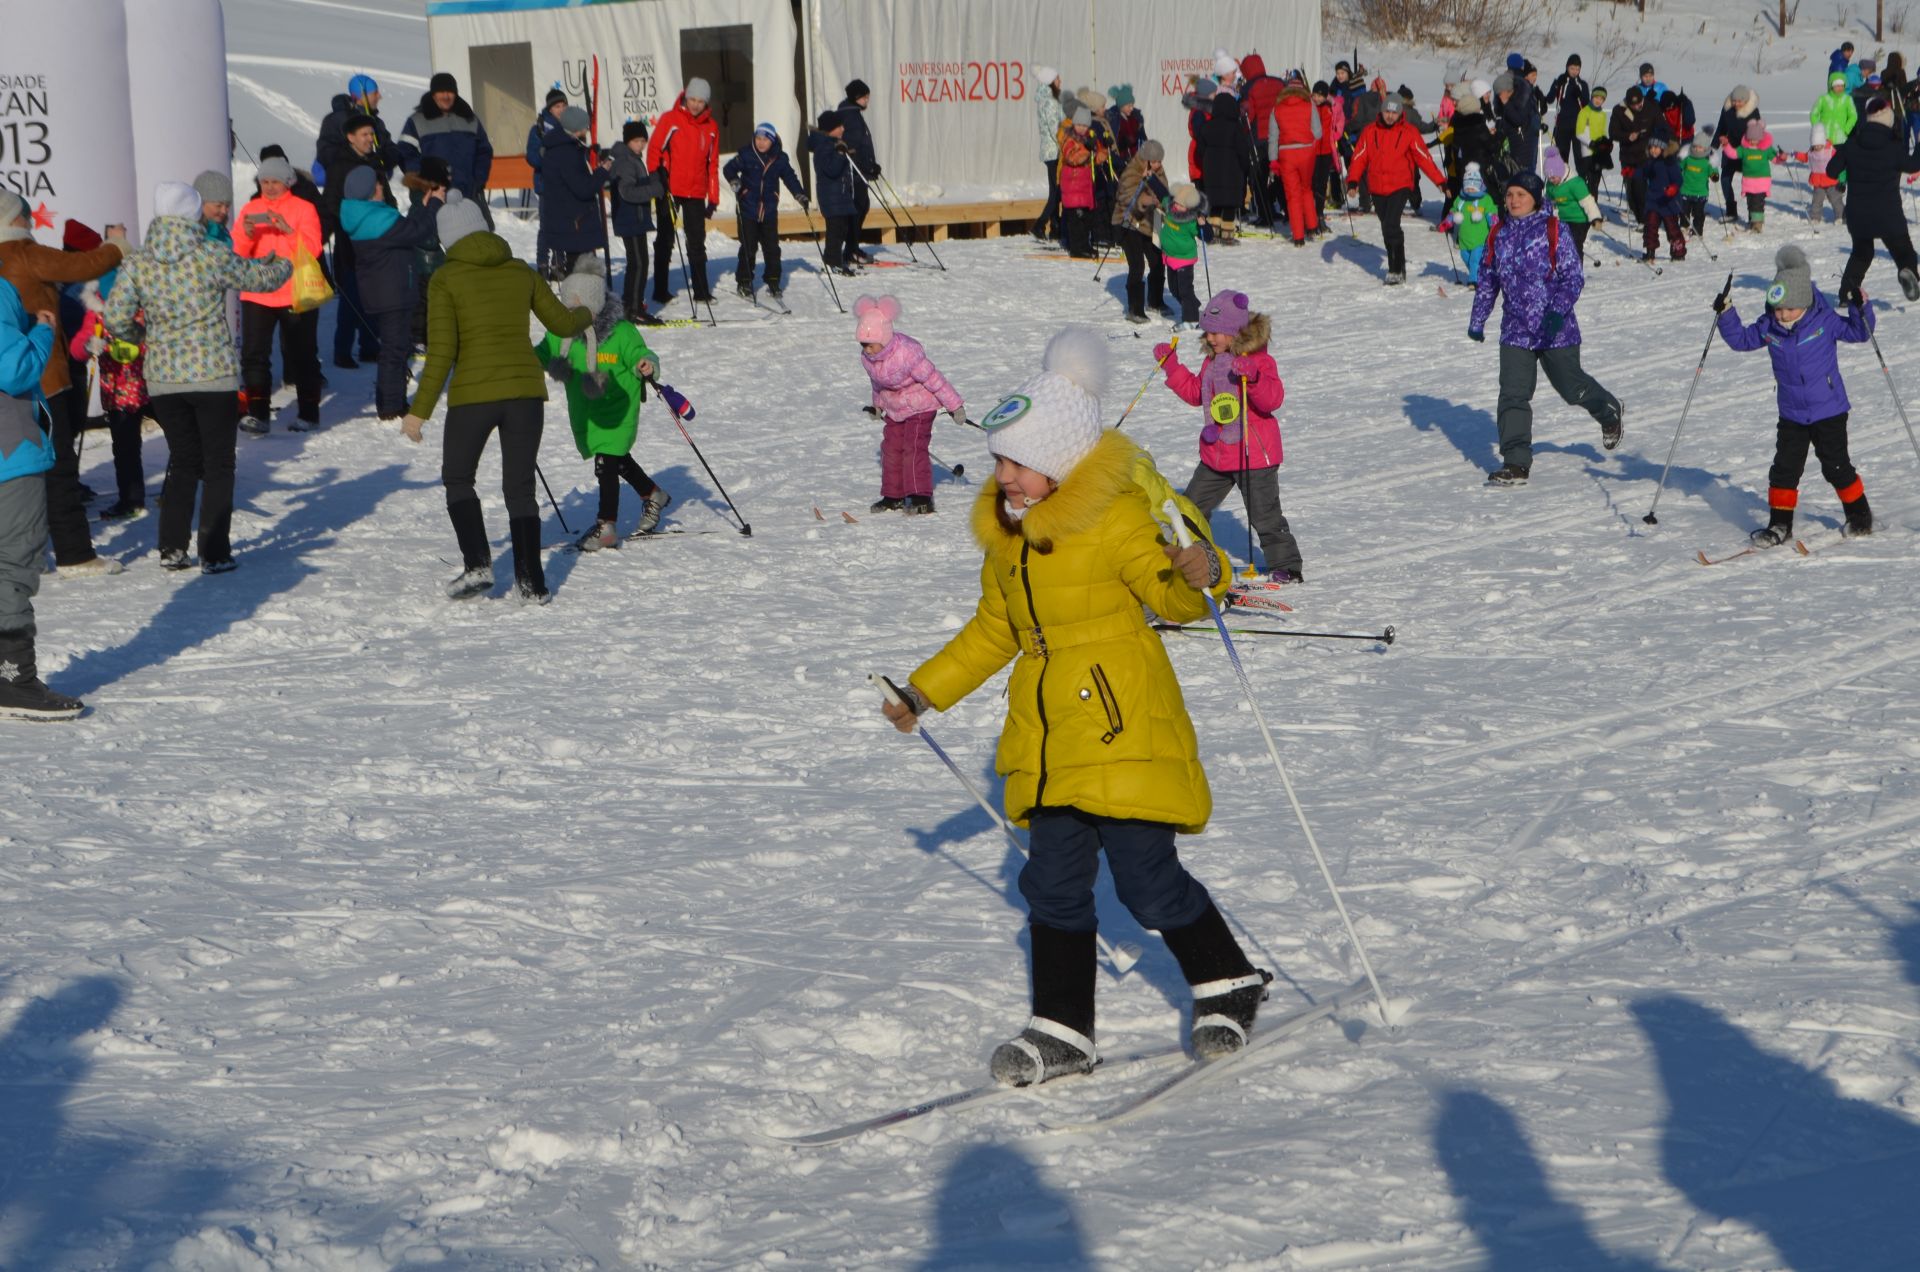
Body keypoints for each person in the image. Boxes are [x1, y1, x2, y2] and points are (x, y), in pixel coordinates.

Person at [880, 327, 1270, 1086]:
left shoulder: (1116, 520)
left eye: (1015, 463)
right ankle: (1063, 1029)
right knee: (1052, 883)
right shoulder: (1011, 546)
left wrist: (1201, 571)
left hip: (1124, 724)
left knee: (1146, 881)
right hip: (1049, 734)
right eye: (997, 461)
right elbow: (995, 630)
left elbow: (1171, 595)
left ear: (1059, 466)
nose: (1002, 478)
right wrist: (924, 691)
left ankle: (1228, 979)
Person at [401, 191, 592, 604]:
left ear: (448, 239)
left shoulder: (446, 279)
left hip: (474, 395)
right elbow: (561, 323)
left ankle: (478, 566)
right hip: (525, 393)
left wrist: (419, 412)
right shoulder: (520, 271)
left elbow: (441, 354)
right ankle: (532, 584)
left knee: (457, 477)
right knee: (519, 489)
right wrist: (589, 312)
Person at [104, 181, 291, 574]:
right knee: (219, 463)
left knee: (184, 460)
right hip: (212, 376)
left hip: (165, 380)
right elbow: (260, 280)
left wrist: (145, 337)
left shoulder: (138, 262)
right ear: (192, 213)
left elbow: (117, 318)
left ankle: (172, 547)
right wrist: (285, 263)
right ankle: (215, 551)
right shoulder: (210, 253)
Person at [1467, 170, 1624, 485]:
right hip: (1515, 330)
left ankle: (1608, 410)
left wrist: (1557, 311)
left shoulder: (1555, 229)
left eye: (1520, 195)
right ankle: (1515, 462)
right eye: (1510, 195)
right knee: (1513, 394)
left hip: (1556, 329)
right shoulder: (1498, 233)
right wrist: (1478, 319)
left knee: (1573, 389)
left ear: (1535, 199)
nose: (1513, 201)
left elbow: (1573, 277)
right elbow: (1488, 280)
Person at [0, 192, 126, 578]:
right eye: (26, 216)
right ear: (15, 218)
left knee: (19, 470)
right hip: (42, 377)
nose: (31, 223)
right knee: (58, 467)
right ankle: (74, 554)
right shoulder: (22, 252)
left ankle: (26, 550)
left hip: (13, 380)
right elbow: (79, 264)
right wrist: (115, 246)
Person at [1714, 245, 1874, 543]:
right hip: (1791, 413)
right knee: (1784, 470)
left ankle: (1859, 515)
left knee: (1836, 467)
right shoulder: (1770, 327)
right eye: (1778, 308)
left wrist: (1859, 307)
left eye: (1789, 308)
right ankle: (1779, 525)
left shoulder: (1824, 322)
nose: (1783, 314)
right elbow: (1742, 340)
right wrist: (1726, 313)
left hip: (1829, 410)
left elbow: (1860, 332)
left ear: (1804, 302)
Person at [1154, 290, 1304, 580]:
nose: (1211, 339)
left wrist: (1254, 378)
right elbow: (1197, 394)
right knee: (1191, 508)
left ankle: (1285, 564)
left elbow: (1272, 400)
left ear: (1237, 332)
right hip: (1217, 455)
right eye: (1208, 333)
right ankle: (1193, 560)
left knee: (1265, 515)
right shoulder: (1212, 361)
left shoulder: (1259, 361)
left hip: (1254, 455)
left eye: (1218, 333)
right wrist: (1172, 367)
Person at [534, 257, 671, 550]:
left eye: (577, 310)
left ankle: (606, 525)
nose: (570, 316)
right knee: (616, 459)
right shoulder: (561, 334)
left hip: (618, 410)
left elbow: (639, 353)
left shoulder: (621, 332)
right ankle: (652, 493)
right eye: (566, 310)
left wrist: (646, 364)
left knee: (606, 463)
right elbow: (540, 355)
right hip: (587, 414)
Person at [0, 277, 82, 718]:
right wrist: (43, 330)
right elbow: (12, 369)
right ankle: (14, 680)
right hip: (8, 452)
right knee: (13, 561)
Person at [338, 165, 441, 419]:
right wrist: (436, 204)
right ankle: (391, 406)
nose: (382, 187)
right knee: (395, 350)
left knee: (392, 349)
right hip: (393, 293)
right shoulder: (378, 219)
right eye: (378, 184)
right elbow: (417, 232)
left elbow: (406, 229)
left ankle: (389, 400)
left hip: (380, 292)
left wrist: (426, 206)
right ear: (371, 191)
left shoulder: (362, 215)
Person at [232, 155, 324, 432]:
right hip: (257, 292)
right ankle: (258, 414)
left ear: (288, 183)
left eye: (275, 182)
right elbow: (237, 254)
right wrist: (248, 234)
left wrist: (287, 230)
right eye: (264, 182)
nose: (269, 187)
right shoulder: (251, 208)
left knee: (302, 354)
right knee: (253, 355)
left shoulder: (304, 209)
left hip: (295, 291)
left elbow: (313, 250)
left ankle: (308, 413)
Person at [855, 295, 963, 515]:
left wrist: (954, 406)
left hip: (921, 406)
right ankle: (893, 496)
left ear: (884, 338)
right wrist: (878, 407)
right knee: (891, 449)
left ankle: (920, 496)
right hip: (895, 409)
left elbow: (934, 379)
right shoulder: (868, 360)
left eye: (871, 344)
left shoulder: (906, 353)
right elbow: (877, 385)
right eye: (863, 344)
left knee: (913, 448)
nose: (867, 349)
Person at [69, 271, 150, 518]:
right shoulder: (96, 314)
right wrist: (88, 345)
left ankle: (183, 482)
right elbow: (77, 349)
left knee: (179, 435)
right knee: (125, 448)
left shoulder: (145, 309)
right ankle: (131, 499)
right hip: (118, 391)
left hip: (151, 384)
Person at [320, 113, 395, 370]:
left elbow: (388, 198)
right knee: (351, 297)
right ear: (350, 137)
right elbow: (330, 202)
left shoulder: (375, 163)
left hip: (376, 240)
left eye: (371, 134)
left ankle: (370, 346)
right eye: (364, 134)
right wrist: (346, 222)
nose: (369, 139)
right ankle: (342, 350)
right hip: (350, 241)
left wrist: (392, 220)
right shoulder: (339, 166)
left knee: (373, 294)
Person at [1828, 94, 1920, 303]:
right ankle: (1908, 273)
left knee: (1862, 253)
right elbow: (1914, 165)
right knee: (1903, 251)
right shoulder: (1893, 147)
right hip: (1888, 214)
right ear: (1888, 120)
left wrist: (1844, 151)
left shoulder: (1852, 144)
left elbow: (1831, 171)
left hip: (1858, 214)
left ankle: (1846, 294)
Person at [1347, 94, 1446, 284]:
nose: (1390, 116)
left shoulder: (1408, 132)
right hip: (1377, 186)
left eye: (1394, 112)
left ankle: (1395, 268)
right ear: (1381, 112)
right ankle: (1399, 264)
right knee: (1387, 227)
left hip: (1400, 185)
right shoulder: (1370, 131)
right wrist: (1353, 181)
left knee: (1391, 225)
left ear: (1400, 113)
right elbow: (1359, 157)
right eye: (1387, 112)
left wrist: (1440, 182)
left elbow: (1423, 158)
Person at [647, 79, 721, 307]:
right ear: (686, 97)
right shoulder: (671, 119)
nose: (696, 105)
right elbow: (654, 149)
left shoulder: (711, 128)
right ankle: (660, 290)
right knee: (666, 239)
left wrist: (714, 197)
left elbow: (712, 164)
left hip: (696, 192)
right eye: (692, 99)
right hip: (670, 189)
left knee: (697, 241)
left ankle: (701, 291)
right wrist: (657, 177)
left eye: (700, 101)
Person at [723, 121, 806, 301]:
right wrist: (734, 181)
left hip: (768, 210)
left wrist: (799, 194)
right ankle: (744, 281)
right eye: (758, 138)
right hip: (747, 209)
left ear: (772, 141)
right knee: (748, 246)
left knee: (772, 248)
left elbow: (790, 177)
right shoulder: (746, 154)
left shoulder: (780, 158)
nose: (761, 142)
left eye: (765, 139)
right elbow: (728, 169)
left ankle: (773, 280)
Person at [536, 105, 613, 277]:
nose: (587, 129)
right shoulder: (567, 153)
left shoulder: (561, 147)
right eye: (585, 126)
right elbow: (583, 189)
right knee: (582, 273)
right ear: (576, 129)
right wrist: (603, 171)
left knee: (577, 270)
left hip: (569, 221)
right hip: (575, 222)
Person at [398, 72, 494, 211]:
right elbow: (405, 152)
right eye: (441, 92)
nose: (446, 96)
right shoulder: (417, 120)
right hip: (432, 196)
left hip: (468, 195)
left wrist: (477, 180)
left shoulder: (470, 119)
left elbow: (484, 151)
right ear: (433, 94)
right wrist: (423, 181)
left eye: (450, 92)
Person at [609, 119, 663, 323]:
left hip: (635, 219)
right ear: (628, 141)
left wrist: (654, 179)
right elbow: (627, 192)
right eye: (637, 140)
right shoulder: (625, 161)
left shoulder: (633, 158)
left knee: (639, 262)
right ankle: (633, 308)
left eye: (643, 140)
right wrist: (654, 190)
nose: (641, 144)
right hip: (629, 218)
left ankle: (631, 305)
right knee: (639, 263)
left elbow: (637, 183)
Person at [1113, 140, 1169, 323]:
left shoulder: (1159, 172)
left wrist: (1160, 202)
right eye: (1155, 162)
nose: (1158, 165)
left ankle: (1155, 300)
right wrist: (1143, 198)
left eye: (1160, 161)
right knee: (1137, 265)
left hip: (1153, 222)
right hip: (1129, 222)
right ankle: (1135, 309)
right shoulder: (1132, 171)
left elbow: (1164, 195)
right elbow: (1123, 196)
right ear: (1145, 160)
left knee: (1158, 260)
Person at [1269, 72, 1322, 245]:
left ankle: (1298, 236)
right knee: (1306, 188)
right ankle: (1313, 225)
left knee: (1292, 195)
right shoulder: (1309, 104)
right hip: (1306, 151)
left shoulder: (1277, 108)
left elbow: (1273, 137)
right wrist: (1307, 138)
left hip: (1286, 153)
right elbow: (1318, 132)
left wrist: (1273, 159)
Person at [1197, 78, 1250, 244]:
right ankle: (1227, 235)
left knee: (1215, 204)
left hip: (1212, 174)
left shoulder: (1207, 126)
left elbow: (1200, 150)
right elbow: (1243, 151)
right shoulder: (1236, 128)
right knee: (1229, 204)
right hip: (1232, 175)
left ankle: (1212, 233)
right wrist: (1246, 168)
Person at [808, 111, 859, 276]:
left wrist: (845, 153)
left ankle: (833, 260)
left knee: (842, 230)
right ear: (831, 129)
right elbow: (831, 170)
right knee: (835, 232)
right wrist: (839, 155)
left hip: (840, 196)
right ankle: (833, 262)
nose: (843, 129)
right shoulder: (823, 146)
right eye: (839, 126)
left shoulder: (833, 143)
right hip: (832, 197)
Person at [837, 78, 880, 266]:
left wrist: (872, 164)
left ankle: (852, 247)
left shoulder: (852, 113)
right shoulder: (851, 117)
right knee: (858, 208)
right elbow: (854, 147)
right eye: (864, 97)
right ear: (856, 97)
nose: (867, 101)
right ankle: (851, 249)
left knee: (862, 206)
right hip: (854, 172)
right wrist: (866, 165)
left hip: (859, 170)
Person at [526, 87, 568, 277]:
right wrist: (546, 156)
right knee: (546, 226)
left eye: (564, 105)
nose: (561, 109)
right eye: (557, 106)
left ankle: (559, 262)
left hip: (565, 184)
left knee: (563, 224)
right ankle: (542, 263)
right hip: (546, 184)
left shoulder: (569, 127)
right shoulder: (539, 129)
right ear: (550, 108)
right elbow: (532, 156)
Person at [1058, 107, 1106, 258]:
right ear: (1074, 124)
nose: (1082, 128)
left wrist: (1103, 149)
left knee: (1086, 218)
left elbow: (1098, 157)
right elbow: (1072, 158)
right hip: (1073, 184)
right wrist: (1086, 148)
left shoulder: (1089, 138)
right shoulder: (1069, 139)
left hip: (1085, 186)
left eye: (1085, 126)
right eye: (1079, 125)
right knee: (1076, 220)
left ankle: (1086, 245)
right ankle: (1077, 248)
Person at [1709, 86, 1761, 224]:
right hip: (1730, 148)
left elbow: (1758, 133)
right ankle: (1731, 211)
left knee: (1750, 184)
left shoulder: (1753, 111)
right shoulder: (1727, 110)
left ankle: (1753, 215)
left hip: (1747, 151)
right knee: (1725, 179)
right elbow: (1721, 128)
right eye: (1734, 101)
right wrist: (1713, 148)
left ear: (1745, 100)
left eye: (1739, 101)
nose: (1736, 104)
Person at [1722, 115, 1782, 232]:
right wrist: (1726, 145)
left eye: (1755, 139)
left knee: (1758, 204)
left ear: (1760, 138)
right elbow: (1733, 154)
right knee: (1750, 203)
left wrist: (1782, 158)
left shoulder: (1766, 149)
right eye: (1750, 139)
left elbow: (1775, 159)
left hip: (1761, 182)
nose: (1753, 142)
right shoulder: (1744, 149)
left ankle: (1757, 225)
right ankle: (1753, 221)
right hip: (1749, 182)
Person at [1609, 86, 1659, 224]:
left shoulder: (1650, 108)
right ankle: (1639, 216)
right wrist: (1627, 136)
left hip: (1644, 156)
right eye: (1634, 104)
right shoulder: (1619, 110)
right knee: (1630, 193)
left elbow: (1660, 126)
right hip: (1627, 156)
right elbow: (1613, 132)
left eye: (1639, 103)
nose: (1638, 106)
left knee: (1640, 189)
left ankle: (1645, 220)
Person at [1442, 163, 1499, 284]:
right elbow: (1453, 211)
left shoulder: (1485, 199)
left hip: (1480, 238)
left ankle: (1473, 280)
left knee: (1475, 259)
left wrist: (1494, 224)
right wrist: (1447, 222)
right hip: (1464, 239)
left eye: (1473, 187)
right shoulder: (1461, 200)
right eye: (1467, 187)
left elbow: (1492, 213)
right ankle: (1479, 273)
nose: (1469, 190)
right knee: (1465, 256)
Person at [1160, 183, 1205, 328]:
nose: (1177, 207)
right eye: (1176, 203)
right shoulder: (1169, 207)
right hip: (1170, 257)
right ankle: (1192, 305)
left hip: (1184, 259)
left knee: (1185, 290)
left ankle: (1190, 319)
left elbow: (1207, 236)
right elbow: (1161, 192)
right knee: (1174, 289)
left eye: (1181, 205)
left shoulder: (1191, 221)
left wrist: (1203, 224)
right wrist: (1150, 177)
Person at [1543, 146, 1599, 257]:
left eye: (1554, 178)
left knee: (1575, 246)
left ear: (1560, 172)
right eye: (1549, 178)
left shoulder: (1575, 183)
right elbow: (1548, 200)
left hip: (1579, 219)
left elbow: (1588, 202)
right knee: (1561, 244)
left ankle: (1576, 269)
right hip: (1563, 219)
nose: (1552, 181)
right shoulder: (1550, 185)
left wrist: (1595, 218)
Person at [1032, 67, 1066, 244]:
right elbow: (1055, 129)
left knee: (1055, 190)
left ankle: (1055, 227)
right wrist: (1066, 144)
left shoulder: (1046, 100)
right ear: (1050, 82)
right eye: (1057, 78)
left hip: (1050, 150)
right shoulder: (1051, 102)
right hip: (1054, 151)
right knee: (1057, 192)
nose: (1060, 81)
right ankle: (1040, 224)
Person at [1640, 135, 1687, 260]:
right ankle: (1650, 252)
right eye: (1651, 147)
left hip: (1668, 202)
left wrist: (1673, 188)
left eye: (1657, 147)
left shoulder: (1669, 162)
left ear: (1663, 149)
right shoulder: (1649, 162)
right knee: (1650, 227)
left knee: (1672, 229)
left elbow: (1678, 179)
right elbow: (1643, 173)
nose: (1653, 150)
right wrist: (1631, 172)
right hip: (1653, 201)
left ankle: (1678, 252)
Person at [1546, 54, 1590, 159]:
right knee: (1561, 159)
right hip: (1562, 126)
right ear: (1567, 67)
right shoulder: (1560, 82)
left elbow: (1587, 107)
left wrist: (1580, 95)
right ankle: (1560, 175)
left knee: (1580, 159)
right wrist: (1556, 85)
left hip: (1579, 127)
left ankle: (1582, 175)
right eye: (1572, 68)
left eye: (1577, 69)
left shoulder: (1582, 85)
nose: (1575, 71)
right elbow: (1549, 99)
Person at [1804, 124, 1846, 229]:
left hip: (1831, 181)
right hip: (1818, 182)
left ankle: (1841, 216)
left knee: (1836, 199)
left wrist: (1842, 178)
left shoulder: (1831, 151)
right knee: (1816, 200)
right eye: (1815, 145)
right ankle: (1815, 217)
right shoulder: (1811, 152)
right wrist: (1794, 155)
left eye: (1819, 145)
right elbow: (1805, 157)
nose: (1817, 147)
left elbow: (1840, 161)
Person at [1575, 87, 1611, 188]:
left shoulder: (1602, 114)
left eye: (1601, 99)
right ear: (1592, 97)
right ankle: (1586, 201)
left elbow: (1603, 131)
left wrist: (1606, 142)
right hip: (1588, 150)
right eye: (1596, 97)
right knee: (1589, 178)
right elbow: (1579, 132)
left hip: (1599, 151)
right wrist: (1591, 143)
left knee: (1596, 180)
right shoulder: (1584, 112)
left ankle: (1593, 201)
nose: (1598, 101)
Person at [1679, 137, 1716, 237]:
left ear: (1705, 149)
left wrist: (1714, 176)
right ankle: (1684, 226)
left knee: (1698, 214)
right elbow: (1680, 166)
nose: (1697, 149)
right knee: (1684, 211)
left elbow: (1713, 172)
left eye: (1700, 147)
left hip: (1701, 193)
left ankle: (1697, 230)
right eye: (1695, 147)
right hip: (1686, 190)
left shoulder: (1707, 161)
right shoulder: (1688, 158)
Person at [193, 169, 233, 245]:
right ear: (201, 203)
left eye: (227, 206)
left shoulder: (222, 231)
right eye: (219, 205)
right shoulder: (192, 233)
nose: (224, 211)